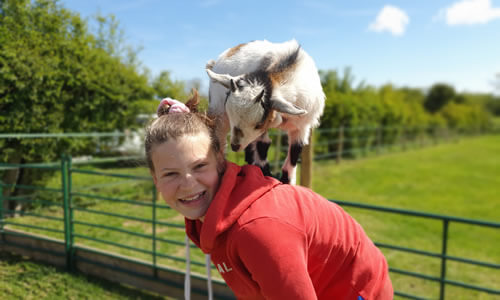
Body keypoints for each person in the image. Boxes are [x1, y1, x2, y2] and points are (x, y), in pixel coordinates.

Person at [145, 93, 393, 300]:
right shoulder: (212, 214)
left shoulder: (256, 230)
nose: (188, 184)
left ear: (219, 161)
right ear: (155, 179)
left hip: (355, 289)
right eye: (170, 174)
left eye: (199, 166)